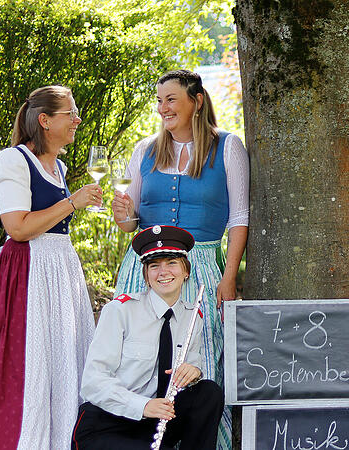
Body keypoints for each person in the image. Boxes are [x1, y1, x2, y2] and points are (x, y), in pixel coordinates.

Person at [111, 69, 248, 448]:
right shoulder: (145, 150)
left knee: (200, 359)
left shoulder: (228, 147)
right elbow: (128, 222)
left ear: (196, 100)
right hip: (145, 268)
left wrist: (230, 275)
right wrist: (121, 213)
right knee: (136, 355)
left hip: (202, 266)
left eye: (170, 99)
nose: (162, 108)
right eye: (159, 101)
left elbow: (239, 218)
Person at [0, 85, 101, 449]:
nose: (77, 120)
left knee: (65, 370)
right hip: (29, 277)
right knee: (33, 373)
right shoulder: (14, 160)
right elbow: (18, 228)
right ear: (45, 120)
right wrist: (72, 204)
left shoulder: (59, 165)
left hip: (61, 274)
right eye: (70, 114)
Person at [72, 225, 224, 449]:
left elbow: (191, 363)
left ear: (186, 271)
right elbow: (93, 383)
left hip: (156, 422)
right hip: (109, 422)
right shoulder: (120, 311)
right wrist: (142, 406)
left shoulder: (193, 316)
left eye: (172, 263)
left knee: (208, 392)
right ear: (146, 275)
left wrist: (194, 371)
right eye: (154, 266)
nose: (163, 272)